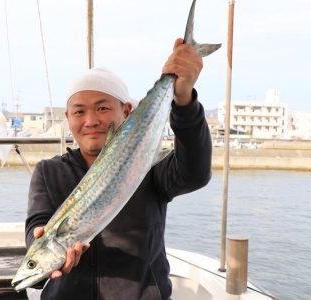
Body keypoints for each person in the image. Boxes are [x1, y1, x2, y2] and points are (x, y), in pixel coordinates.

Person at [25, 37, 212, 300]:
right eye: (79, 112)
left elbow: (195, 172)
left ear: (126, 110)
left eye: (102, 108)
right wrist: (42, 253)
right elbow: (36, 229)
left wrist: (184, 100)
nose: (90, 121)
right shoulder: (48, 172)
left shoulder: (149, 165)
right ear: (68, 118)